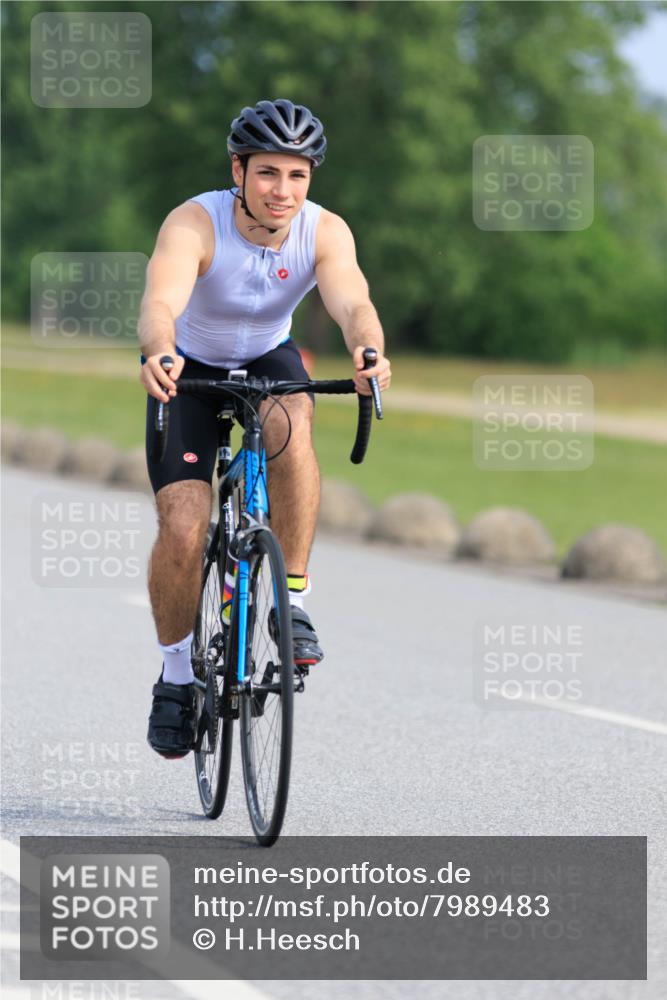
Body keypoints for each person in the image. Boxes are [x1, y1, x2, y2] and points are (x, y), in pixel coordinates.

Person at [139, 99, 391, 759]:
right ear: (238, 171)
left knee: (292, 421)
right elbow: (160, 301)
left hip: (266, 359)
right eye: (268, 173)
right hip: (188, 366)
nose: (282, 190)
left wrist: (368, 351)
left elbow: (352, 301)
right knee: (184, 526)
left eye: (297, 175)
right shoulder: (197, 222)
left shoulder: (324, 230)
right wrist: (160, 349)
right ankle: (175, 676)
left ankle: (292, 599)